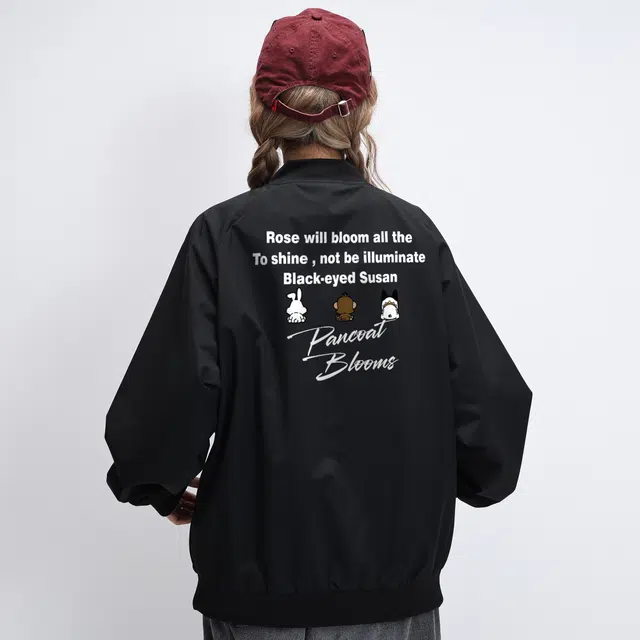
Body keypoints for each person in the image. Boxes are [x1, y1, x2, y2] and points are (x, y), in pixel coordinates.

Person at [104, 8, 533, 639]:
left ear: (260, 105)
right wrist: (466, 478)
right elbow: (491, 407)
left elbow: (163, 405)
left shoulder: (225, 235)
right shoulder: (413, 236)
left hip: (254, 600)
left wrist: (159, 485)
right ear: (366, 102)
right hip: (394, 601)